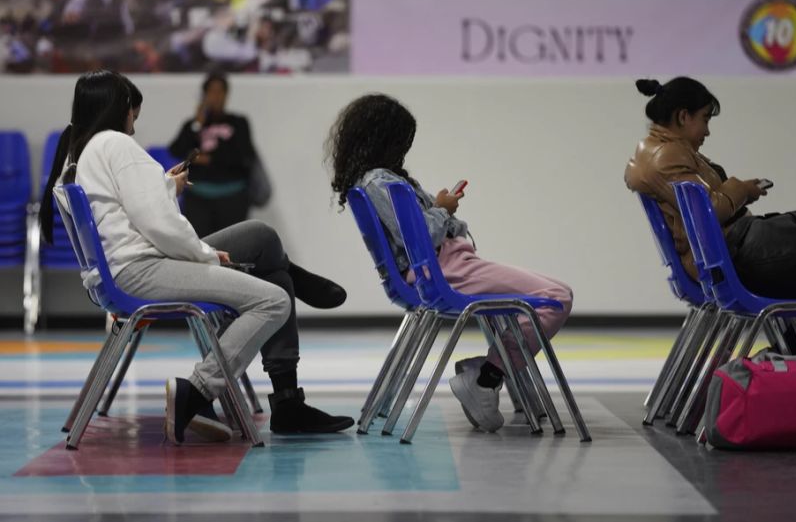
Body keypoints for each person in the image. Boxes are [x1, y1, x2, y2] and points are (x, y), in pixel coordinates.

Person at [40, 70, 353, 444]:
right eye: (134, 117)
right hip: (143, 269)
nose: (134, 129)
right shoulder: (116, 145)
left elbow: (127, 215)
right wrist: (206, 256)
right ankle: (197, 392)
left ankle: (288, 397)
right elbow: (159, 225)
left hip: (127, 268)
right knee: (275, 299)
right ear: (121, 108)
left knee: (262, 237)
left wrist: (164, 188)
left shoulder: (82, 151)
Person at [326, 93, 573, 432]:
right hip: (443, 271)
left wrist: (438, 206)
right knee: (556, 297)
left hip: (442, 268)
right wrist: (443, 209)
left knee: (549, 294)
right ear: (385, 140)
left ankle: (488, 372)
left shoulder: (374, 181)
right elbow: (419, 236)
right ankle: (486, 378)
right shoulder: (381, 182)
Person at [624, 76, 796, 365]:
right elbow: (711, 209)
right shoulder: (666, 157)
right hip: (724, 262)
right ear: (683, 116)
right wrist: (741, 190)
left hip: (719, 256)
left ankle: (779, 362)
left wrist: (742, 190)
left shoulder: (660, 151)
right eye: (704, 119)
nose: (707, 131)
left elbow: (708, 203)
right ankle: (781, 362)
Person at [169, 71, 255, 238]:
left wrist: (210, 159)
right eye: (211, 91)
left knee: (234, 249)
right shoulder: (193, 125)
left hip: (232, 196)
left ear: (226, 95)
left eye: (220, 91)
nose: (216, 96)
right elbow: (177, 150)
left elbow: (244, 155)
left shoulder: (238, 123)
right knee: (202, 248)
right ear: (205, 95)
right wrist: (197, 125)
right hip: (199, 198)